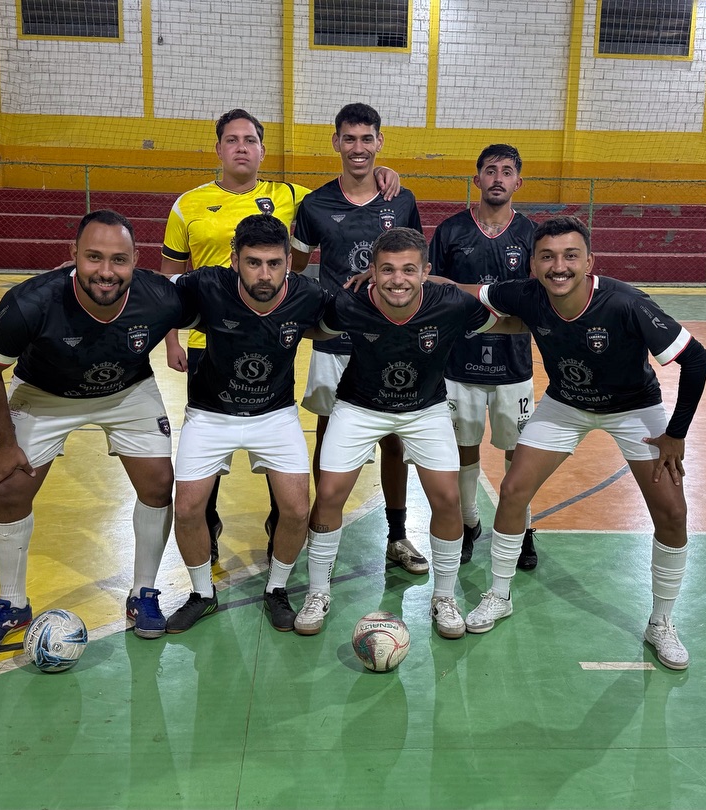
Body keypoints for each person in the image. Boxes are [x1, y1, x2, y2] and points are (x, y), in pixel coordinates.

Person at [447, 215, 706, 671]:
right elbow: (462, 289)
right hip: (565, 404)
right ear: (533, 264)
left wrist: (676, 434)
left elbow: (697, 359)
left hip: (633, 409)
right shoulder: (527, 294)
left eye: (571, 256)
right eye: (547, 257)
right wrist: (405, 274)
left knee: (672, 510)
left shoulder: (626, 303)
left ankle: (661, 622)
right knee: (512, 491)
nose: (559, 266)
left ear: (590, 262)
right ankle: (499, 594)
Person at [159, 109, 400, 564]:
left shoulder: (290, 196)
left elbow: (347, 195)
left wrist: (382, 173)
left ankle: (280, 528)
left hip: (272, 342)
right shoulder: (187, 204)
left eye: (250, 139)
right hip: (207, 342)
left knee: (276, 443)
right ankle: (206, 530)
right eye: (232, 140)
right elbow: (170, 277)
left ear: (262, 150)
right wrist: (172, 338)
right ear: (219, 149)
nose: (242, 147)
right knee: (210, 450)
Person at [0, 209, 196, 650]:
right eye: (93, 258)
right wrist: (4, 443)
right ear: (72, 255)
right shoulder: (30, 302)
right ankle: (12, 604)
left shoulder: (160, 298)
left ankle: (143, 594)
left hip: (126, 391)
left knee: (158, 483)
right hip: (44, 393)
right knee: (10, 487)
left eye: (119, 260)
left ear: (135, 260)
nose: (106, 272)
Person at [293, 226, 524, 640]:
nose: (397, 279)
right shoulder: (349, 303)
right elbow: (315, 329)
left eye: (408, 270)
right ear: (372, 272)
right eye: (387, 270)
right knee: (328, 494)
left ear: (426, 272)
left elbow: (507, 323)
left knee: (448, 497)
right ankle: (317, 592)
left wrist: (559, 331)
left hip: (425, 409)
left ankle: (445, 597)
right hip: (359, 406)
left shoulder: (449, 302)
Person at [163, 214, 333, 633]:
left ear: (288, 263)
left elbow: (342, 322)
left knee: (296, 510)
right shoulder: (206, 285)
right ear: (234, 259)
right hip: (209, 413)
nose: (265, 273)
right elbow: (152, 293)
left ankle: (276, 589)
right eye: (254, 262)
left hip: (275, 414)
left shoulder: (307, 295)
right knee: (186, 509)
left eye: (275, 263)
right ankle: (202, 594)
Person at [291, 102, 426, 574]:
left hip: (391, 338)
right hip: (334, 339)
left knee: (394, 439)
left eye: (367, 139)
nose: (358, 148)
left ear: (379, 142)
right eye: (349, 138)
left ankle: (398, 535)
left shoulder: (400, 200)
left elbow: (415, 269)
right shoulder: (314, 205)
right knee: (328, 434)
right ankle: (322, 528)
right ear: (336, 143)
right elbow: (295, 269)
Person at [428, 144, 539, 569]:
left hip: (514, 366)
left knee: (518, 453)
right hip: (459, 363)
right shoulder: (452, 230)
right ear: (476, 180)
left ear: (517, 182)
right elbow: (431, 285)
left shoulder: (531, 234)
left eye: (507, 171)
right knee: (463, 447)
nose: (497, 178)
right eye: (489, 170)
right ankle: (470, 521)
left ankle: (522, 526)